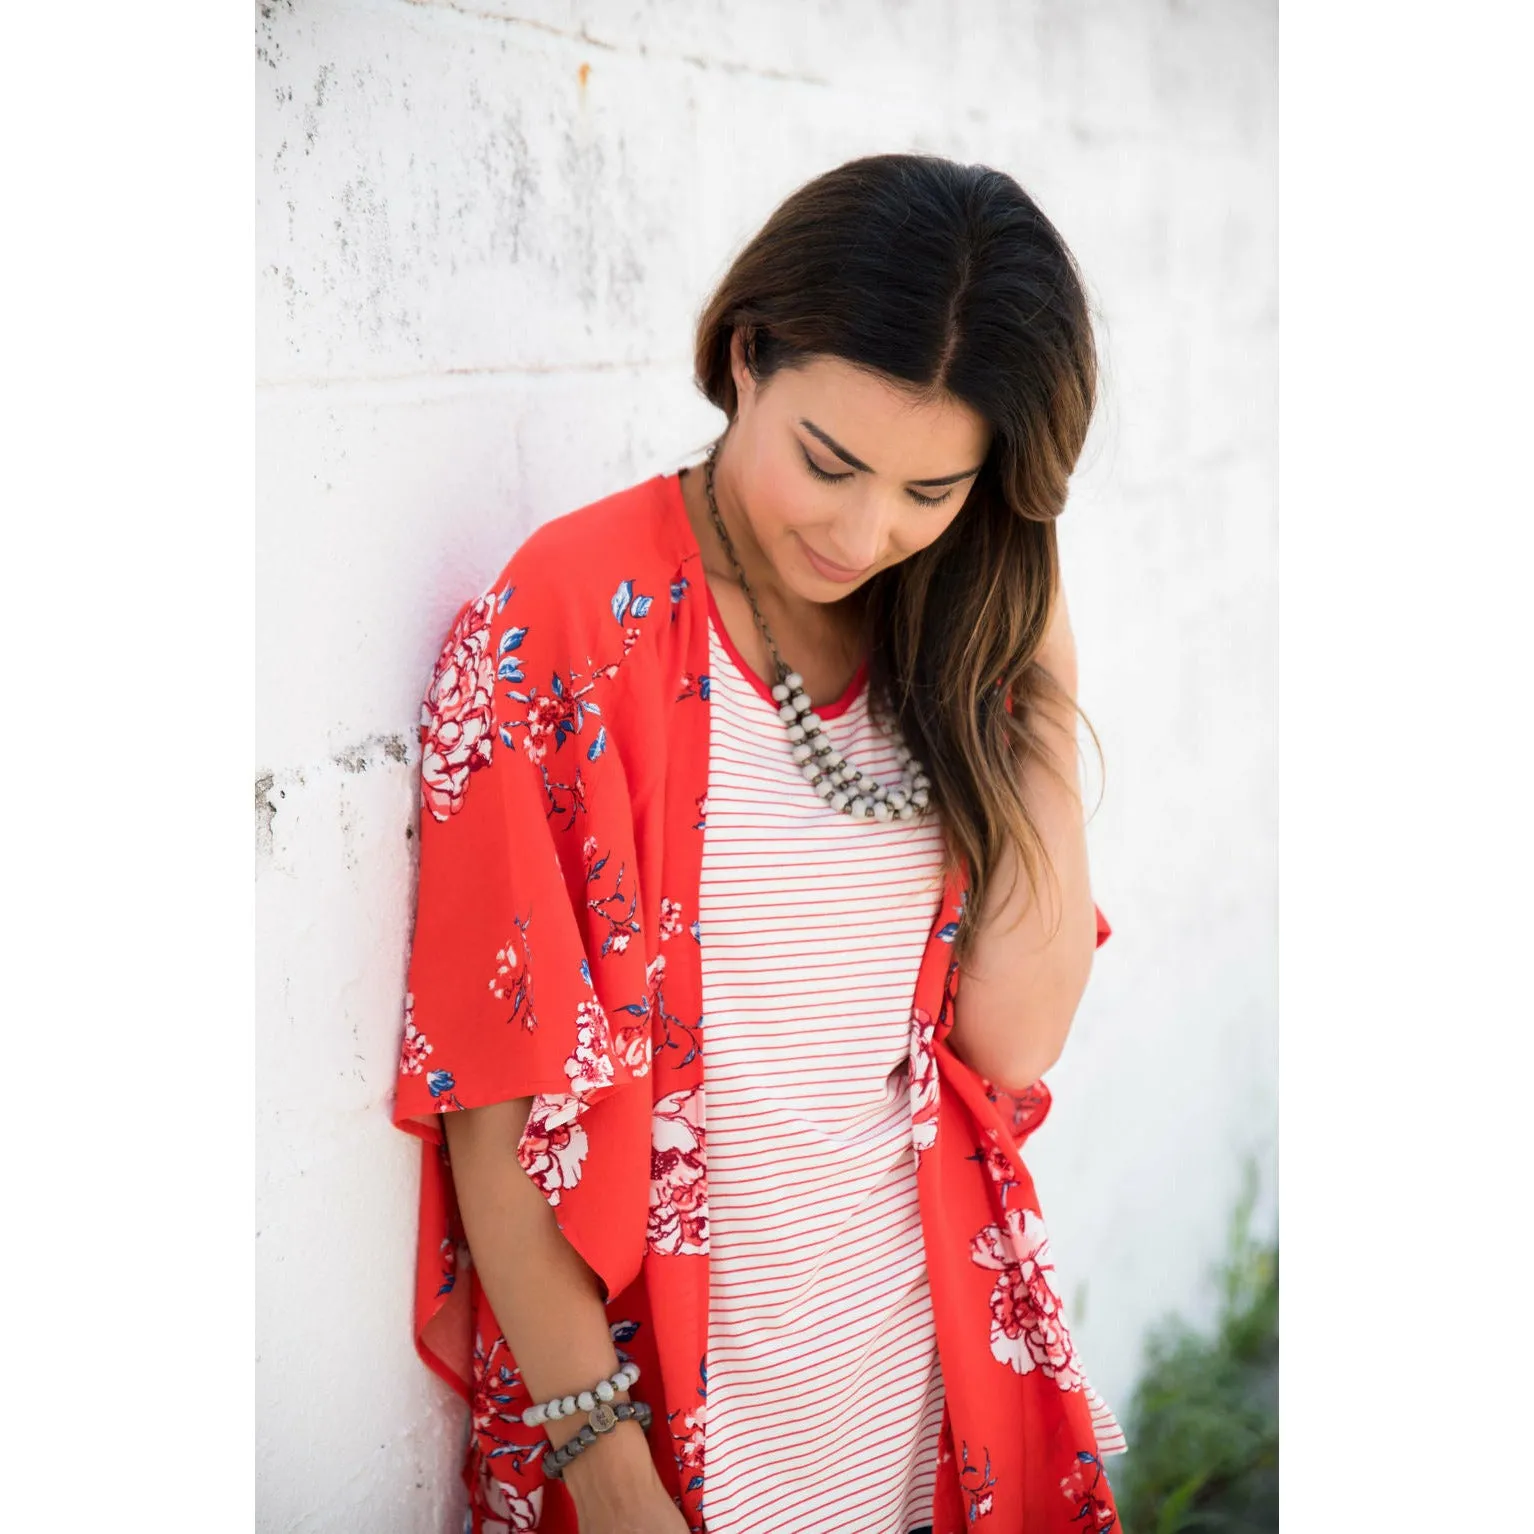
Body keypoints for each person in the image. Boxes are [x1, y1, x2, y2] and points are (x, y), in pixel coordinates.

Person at [393, 152, 1125, 1534]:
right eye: (827, 461)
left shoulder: (954, 638)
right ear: (745, 357)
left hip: (924, 1408)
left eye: (932, 492)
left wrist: (1043, 684)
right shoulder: (570, 612)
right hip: (666, 1435)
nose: (863, 532)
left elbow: (1013, 1043)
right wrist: (599, 1459)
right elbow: (489, 1090)